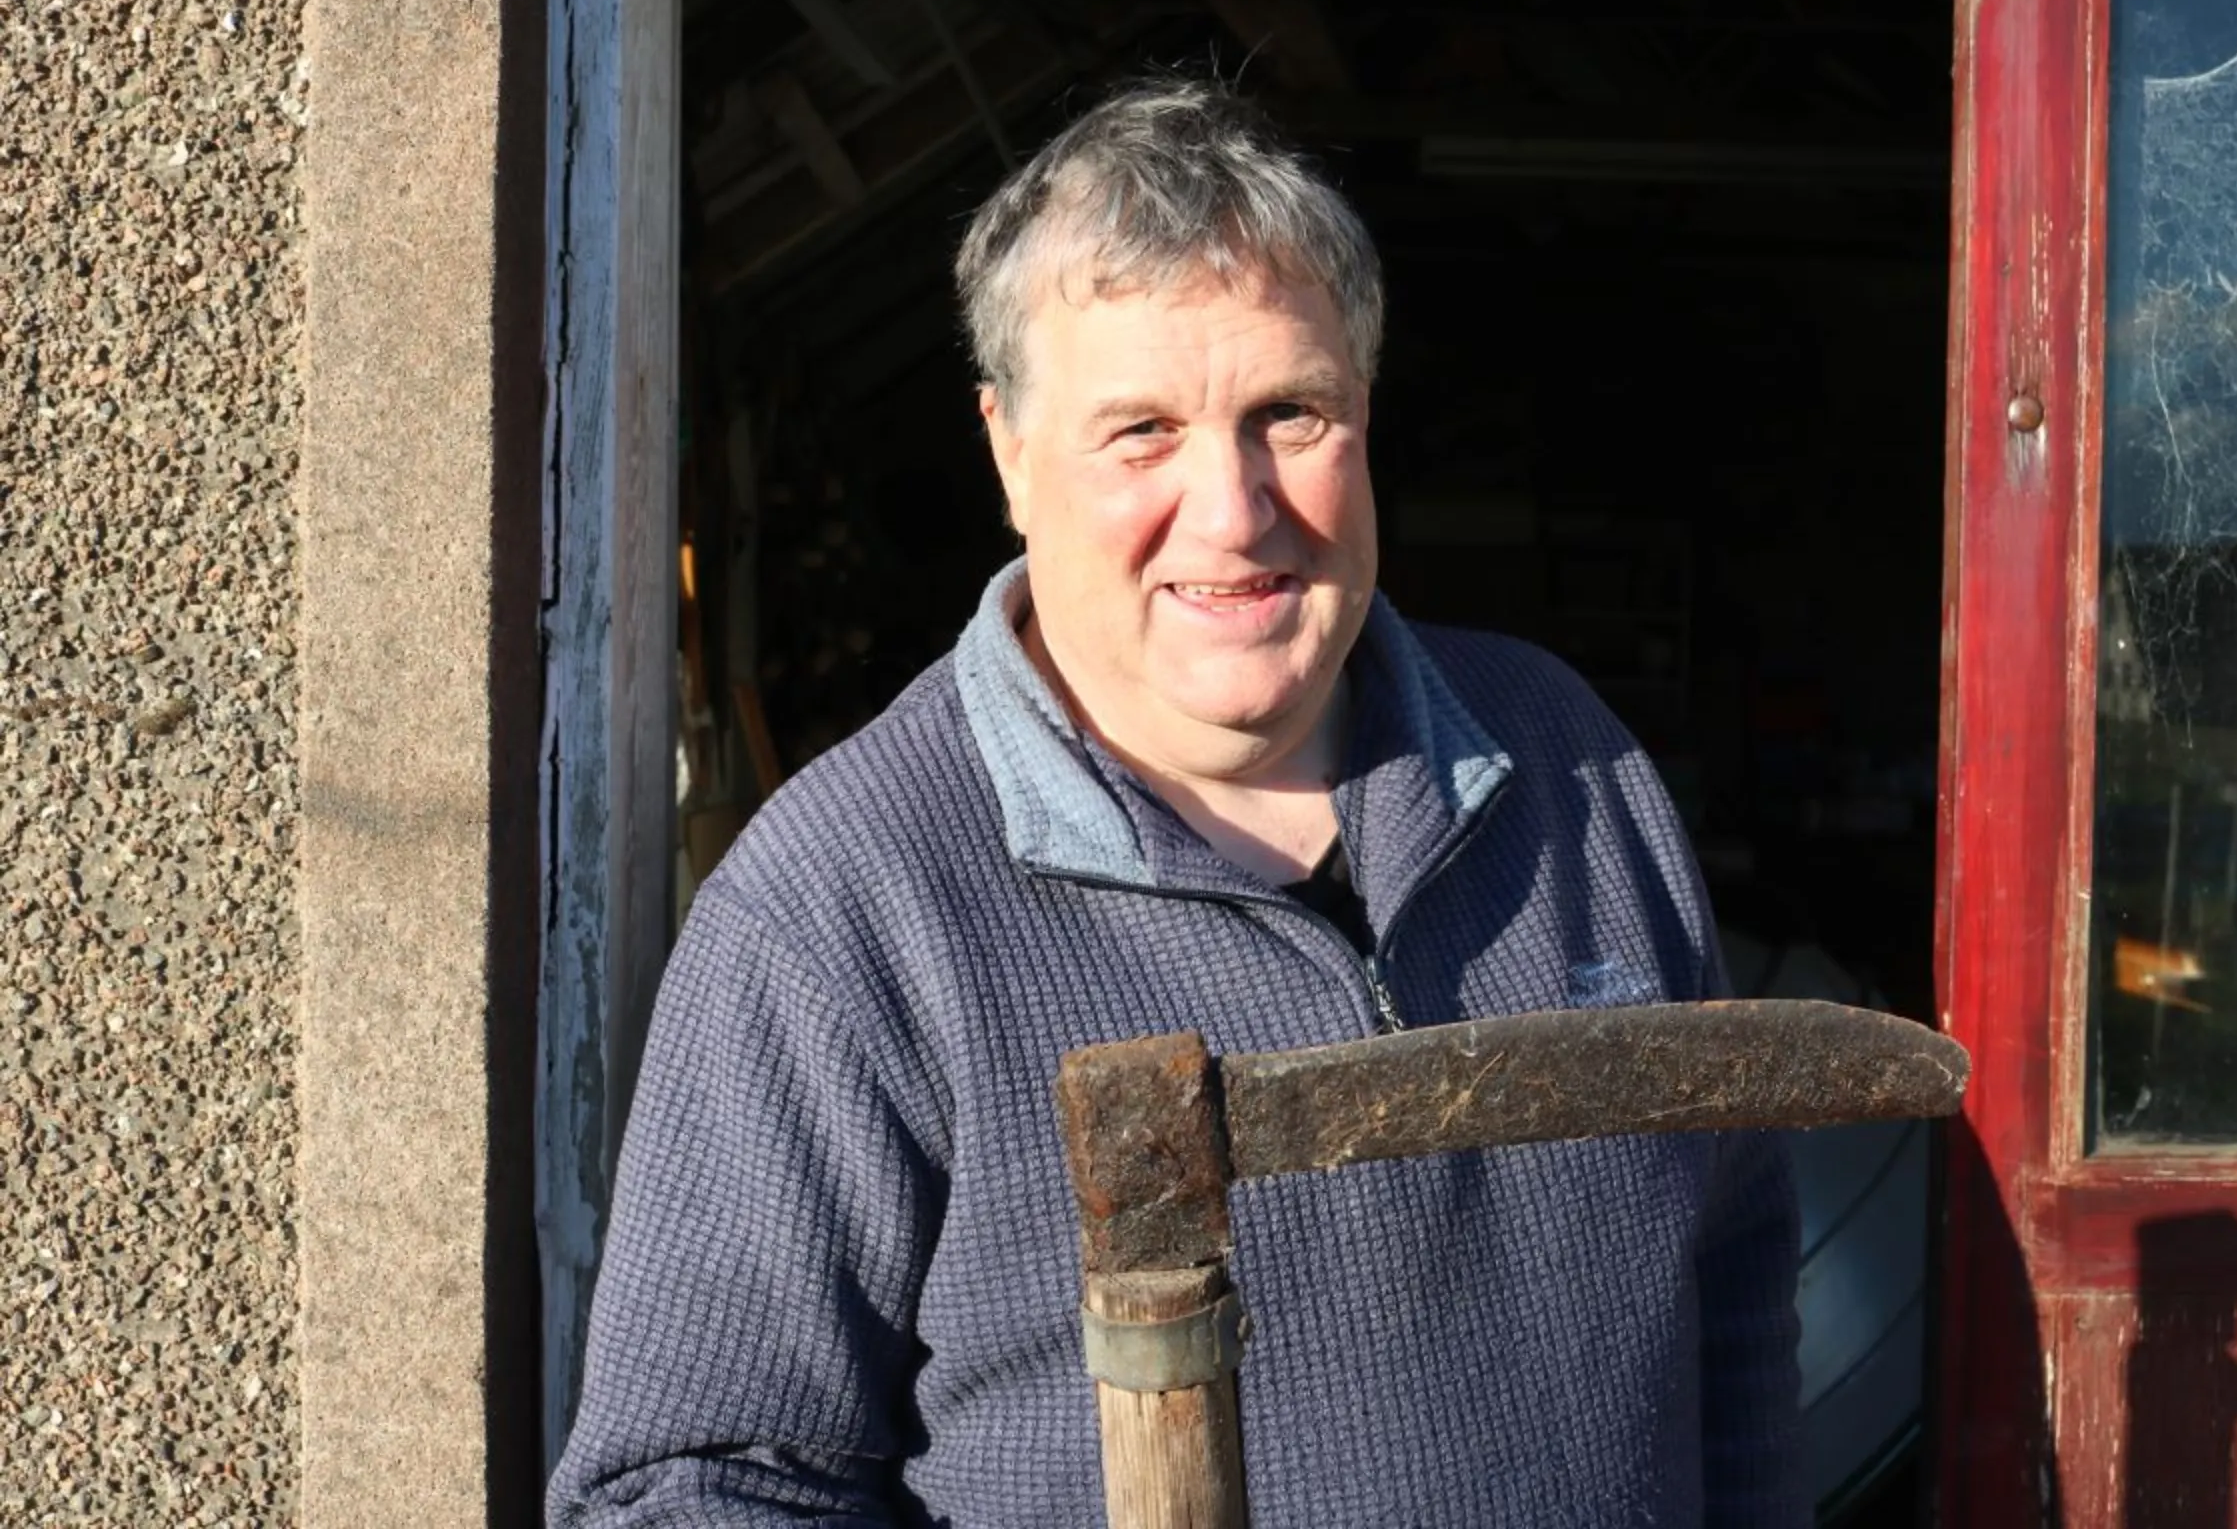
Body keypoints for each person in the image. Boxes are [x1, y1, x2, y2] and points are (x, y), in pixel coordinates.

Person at [549, 76, 1801, 1527]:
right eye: (1140, 431)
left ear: (1367, 414)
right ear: (1010, 454)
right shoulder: (846, 905)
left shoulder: (1568, 766)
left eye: (1291, 414)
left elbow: (1730, 1293)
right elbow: (693, 1489)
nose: (1232, 508)